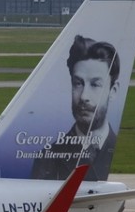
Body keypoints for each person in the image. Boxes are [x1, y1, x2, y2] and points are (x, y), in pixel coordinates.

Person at [30, 35, 120, 181]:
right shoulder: (47, 157)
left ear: (113, 91)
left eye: (95, 85)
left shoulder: (117, 148)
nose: (84, 96)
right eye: (78, 83)